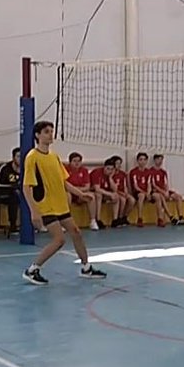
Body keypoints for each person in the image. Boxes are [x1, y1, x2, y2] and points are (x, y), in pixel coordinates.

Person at [22, 121, 106, 284]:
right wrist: (34, 211)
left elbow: (64, 182)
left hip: (60, 205)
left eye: (51, 131)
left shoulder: (54, 156)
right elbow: (27, 187)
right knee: (59, 240)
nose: (50, 134)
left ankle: (86, 267)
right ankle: (32, 270)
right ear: (38, 135)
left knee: (76, 232)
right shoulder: (32, 157)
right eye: (46, 131)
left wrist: (81, 194)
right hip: (46, 206)